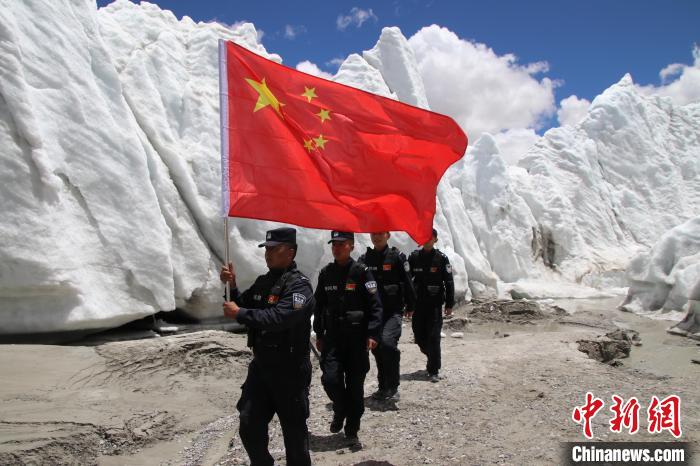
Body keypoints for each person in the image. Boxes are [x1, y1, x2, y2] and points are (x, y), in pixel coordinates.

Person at [220, 227, 315, 466]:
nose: (268, 254)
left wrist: (240, 313)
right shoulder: (264, 282)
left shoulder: (299, 286)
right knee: (249, 423)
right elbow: (242, 304)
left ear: (291, 252)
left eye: (275, 249)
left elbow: (279, 318)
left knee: (294, 435)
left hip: (290, 370)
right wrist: (230, 287)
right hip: (261, 368)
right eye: (267, 249)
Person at [313, 231, 383, 445]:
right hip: (333, 338)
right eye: (334, 244)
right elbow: (319, 304)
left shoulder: (361, 272)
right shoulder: (326, 273)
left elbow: (375, 305)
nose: (337, 248)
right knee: (330, 379)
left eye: (341, 244)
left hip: (356, 339)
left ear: (351, 246)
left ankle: (352, 429)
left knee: (355, 388)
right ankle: (340, 408)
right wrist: (319, 332)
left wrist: (372, 333)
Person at [358, 232, 416, 401]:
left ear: (388, 235)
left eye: (380, 233)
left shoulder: (397, 257)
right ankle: (383, 387)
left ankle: (393, 386)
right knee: (377, 349)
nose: (376, 237)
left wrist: (411, 305)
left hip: (392, 311)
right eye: (373, 234)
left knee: (388, 344)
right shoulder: (364, 259)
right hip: (373, 314)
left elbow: (407, 281)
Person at [408, 228, 455, 383]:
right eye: (425, 237)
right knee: (419, 336)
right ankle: (432, 355)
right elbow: (407, 281)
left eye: (431, 237)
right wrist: (407, 303)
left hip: (435, 305)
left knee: (434, 337)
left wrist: (449, 303)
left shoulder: (442, 259)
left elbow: (448, 282)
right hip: (419, 304)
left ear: (435, 240)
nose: (427, 240)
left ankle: (433, 369)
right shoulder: (414, 257)